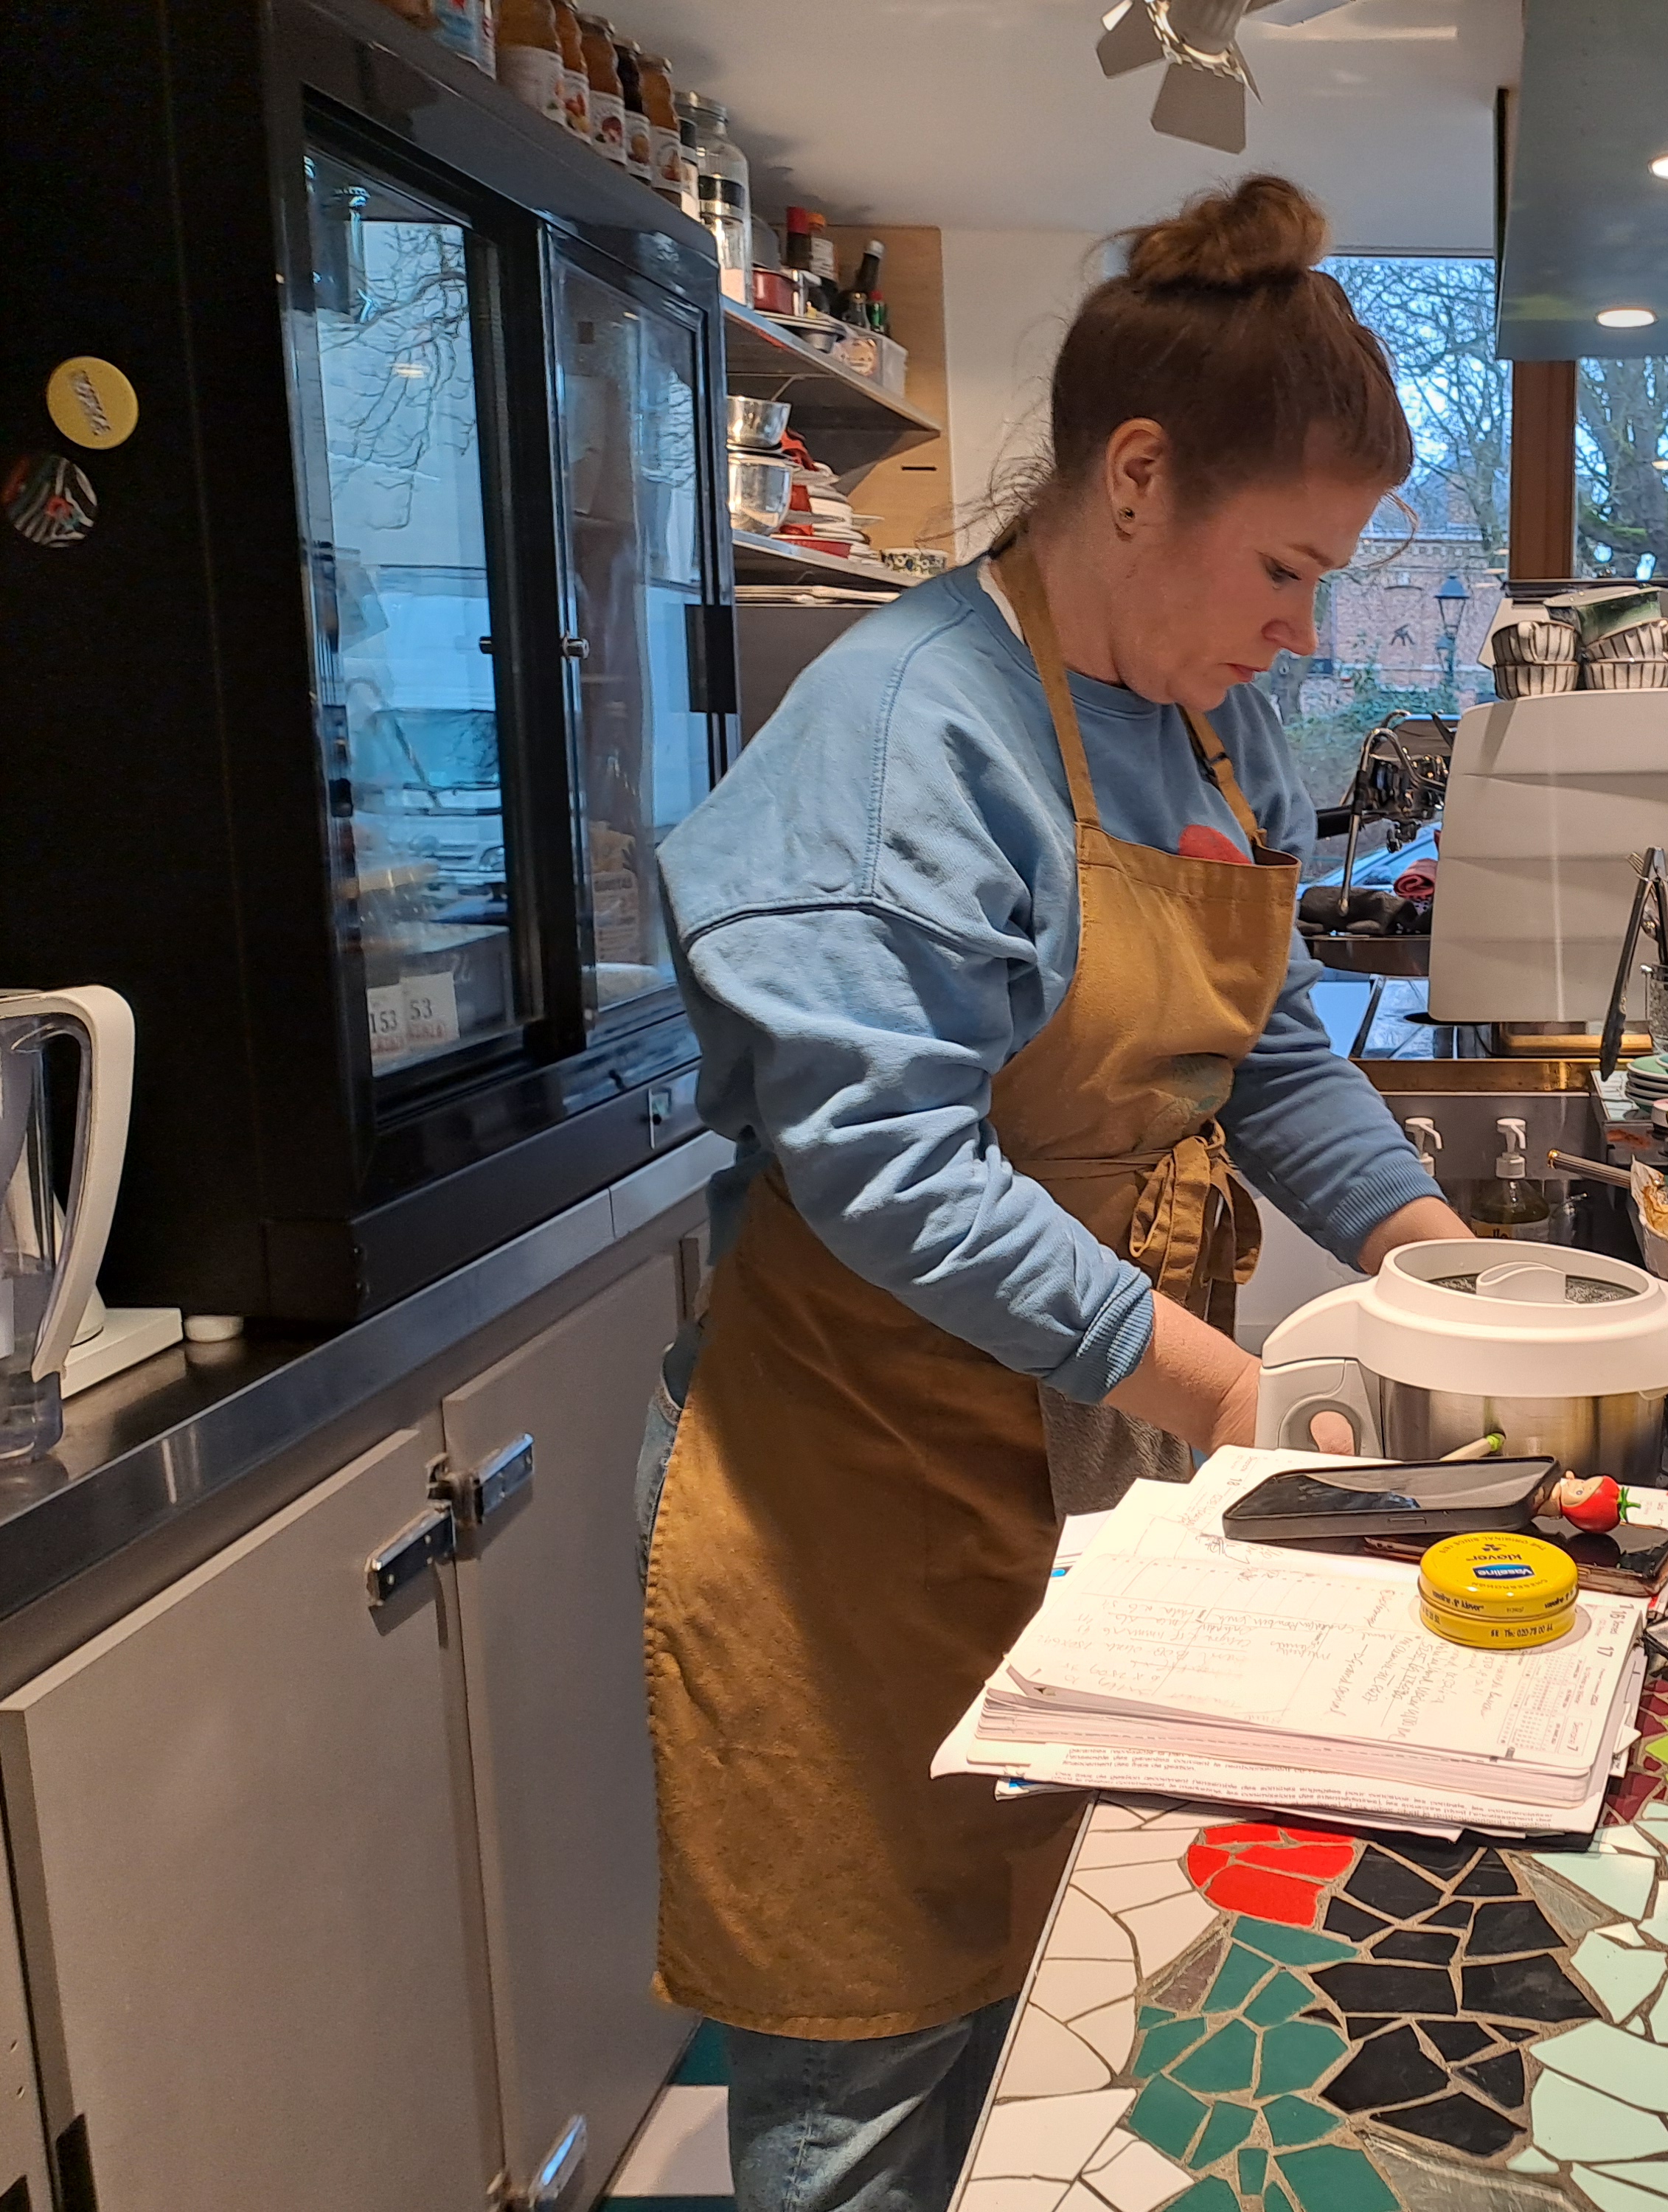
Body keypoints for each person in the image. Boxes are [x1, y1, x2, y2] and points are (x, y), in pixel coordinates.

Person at [637, 174, 1473, 2212]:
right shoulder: (913, 726)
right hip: (866, 1489)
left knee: (1080, 2025)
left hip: (1090, 1462)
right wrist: (1241, 1401)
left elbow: (1256, 1037)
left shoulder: (1217, 719)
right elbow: (891, 1172)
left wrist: (1431, 1260)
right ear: (1133, 479)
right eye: (1284, 567)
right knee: (870, 2057)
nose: (1304, 629)